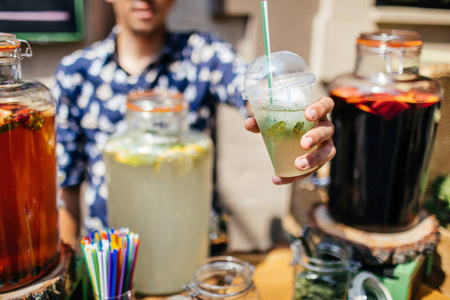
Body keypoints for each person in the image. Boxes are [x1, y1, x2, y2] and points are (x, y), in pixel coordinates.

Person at [54, 0, 336, 248]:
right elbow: (67, 182)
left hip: (190, 247)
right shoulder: (76, 73)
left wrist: (300, 119)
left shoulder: (202, 54)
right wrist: (66, 277)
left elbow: (250, 88)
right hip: (113, 258)